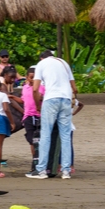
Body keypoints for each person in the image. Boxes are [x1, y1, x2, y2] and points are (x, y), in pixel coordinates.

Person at [26, 50, 76, 180]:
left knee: (45, 134)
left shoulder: (41, 65)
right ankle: (66, 171)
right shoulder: (64, 63)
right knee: (65, 136)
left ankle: (41, 170)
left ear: (42, 58)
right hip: (65, 99)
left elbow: (35, 88)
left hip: (51, 99)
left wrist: (37, 105)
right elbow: (74, 88)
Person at [21, 67, 44, 174]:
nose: (32, 80)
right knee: (31, 141)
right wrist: (11, 97)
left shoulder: (42, 88)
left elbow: (42, 98)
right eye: (30, 78)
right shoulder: (24, 88)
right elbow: (23, 100)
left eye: (34, 78)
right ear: (26, 77)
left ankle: (40, 162)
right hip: (28, 117)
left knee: (40, 140)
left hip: (39, 116)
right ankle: (35, 162)